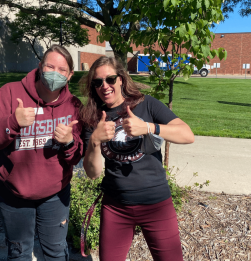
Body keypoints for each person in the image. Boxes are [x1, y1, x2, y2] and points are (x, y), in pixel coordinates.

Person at [79, 56, 194, 261]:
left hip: (156, 204)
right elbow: (92, 172)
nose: (104, 86)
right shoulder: (93, 117)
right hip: (116, 207)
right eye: (98, 82)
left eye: (110, 79)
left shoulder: (146, 104)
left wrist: (149, 127)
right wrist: (95, 141)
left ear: (121, 79)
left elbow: (187, 135)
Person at [0, 44, 83, 261]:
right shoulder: (10, 92)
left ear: (70, 75)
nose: (55, 73)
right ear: (39, 67)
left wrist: (69, 142)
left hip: (55, 194)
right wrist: (13, 122)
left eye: (62, 70)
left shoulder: (73, 105)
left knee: (56, 251)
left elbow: (76, 156)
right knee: (19, 252)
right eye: (49, 66)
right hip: (12, 192)